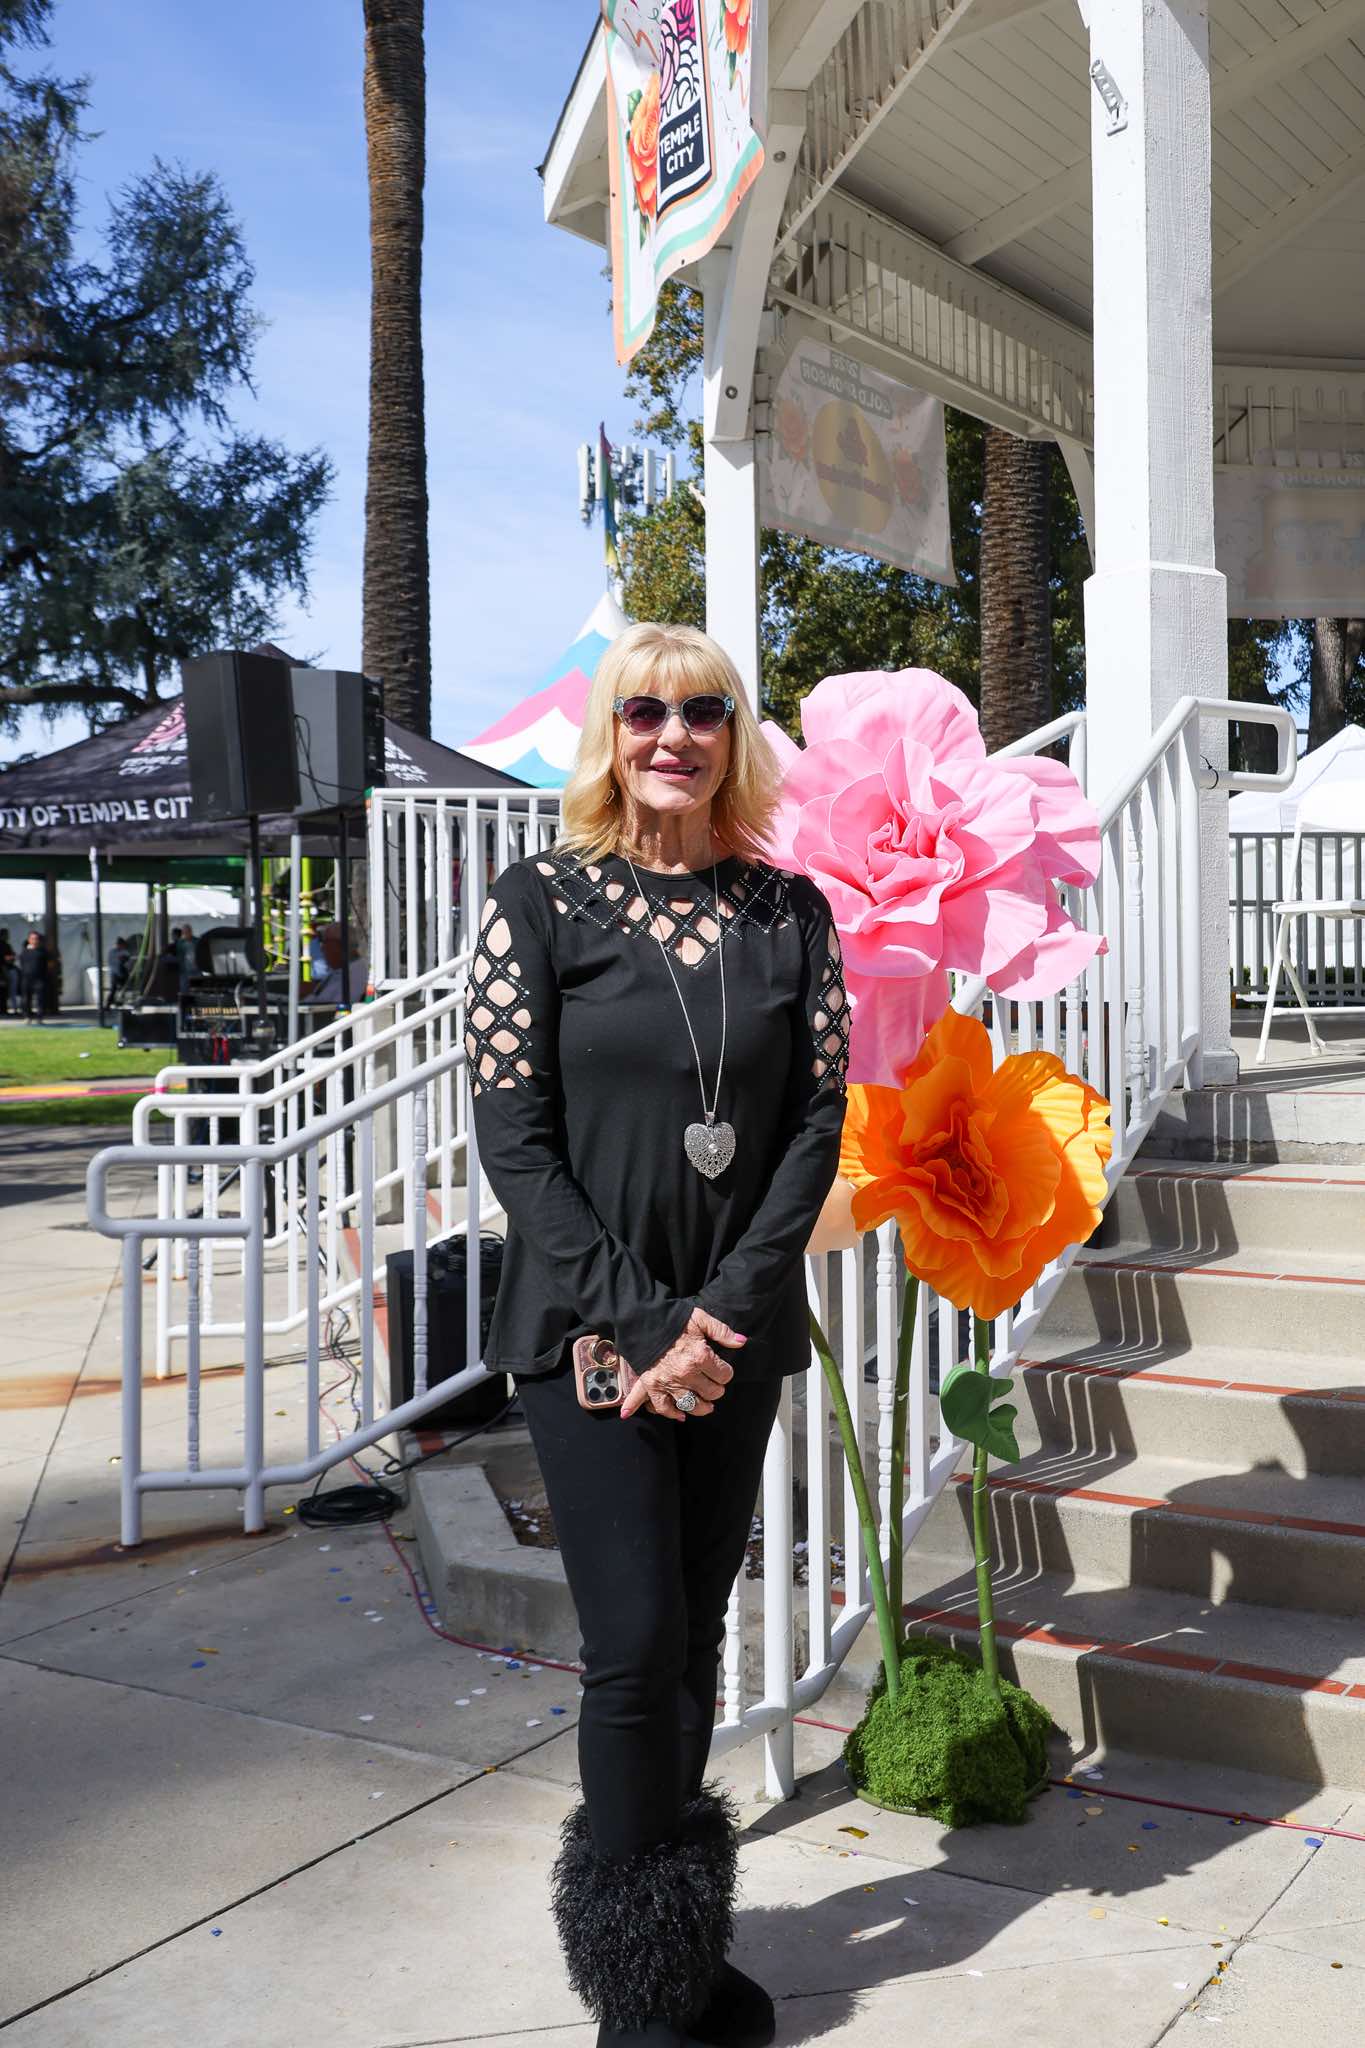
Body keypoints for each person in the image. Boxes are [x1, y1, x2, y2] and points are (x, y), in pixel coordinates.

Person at [465, 623, 849, 2048]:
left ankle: (679, 1963)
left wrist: (722, 1316)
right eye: (643, 710)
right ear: (609, 735)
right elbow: (514, 1139)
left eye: (703, 710)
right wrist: (645, 1321)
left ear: (734, 735)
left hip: (732, 1337)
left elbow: (815, 1125)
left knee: (693, 1635)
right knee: (632, 1644)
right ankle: (634, 1995)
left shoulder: (789, 913)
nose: (673, 734)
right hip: (588, 1333)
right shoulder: (536, 903)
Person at [303, 922, 366, 1005]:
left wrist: (307, 994)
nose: (322, 948)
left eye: (326, 943)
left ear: (340, 946)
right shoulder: (341, 970)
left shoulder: (355, 974)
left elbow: (334, 1006)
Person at [18, 931, 50, 1022]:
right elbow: (22, 964)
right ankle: (27, 1016)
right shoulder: (24, 952)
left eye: (36, 939)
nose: (35, 941)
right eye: (33, 939)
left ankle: (40, 1017)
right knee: (26, 999)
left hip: (39, 979)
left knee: (40, 999)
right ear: (29, 940)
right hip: (26, 979)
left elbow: (47, 965)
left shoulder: (43, 952)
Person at [108, 934, 132, 1002]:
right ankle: (109, 1003)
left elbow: (128, 962)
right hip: (116, 973)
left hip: (121, 973)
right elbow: (113, 963)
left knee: (122, 988)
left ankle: (119, 1001)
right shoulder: (113, 952)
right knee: (114, 989)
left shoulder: (124, 952)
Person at [0, 929, 16, 1016]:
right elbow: (6, 958)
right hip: (4, 971)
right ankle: (3, 1009)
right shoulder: (4, 945)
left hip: (4, 970)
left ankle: (4, 1009)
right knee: (4, 991)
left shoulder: (6, 945)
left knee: (4, 991)